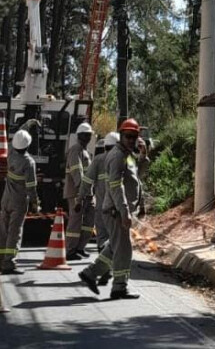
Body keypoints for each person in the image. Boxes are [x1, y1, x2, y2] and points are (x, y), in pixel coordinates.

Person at [79, 119, 142, 299]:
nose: (131, 140)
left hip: (119, 209)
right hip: (115, 210)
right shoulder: (116, 156)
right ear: (121, 136)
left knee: (115, 247)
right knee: (123, 250)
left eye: (134, 136)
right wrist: (124, 211)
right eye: (128, 136)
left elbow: (136, 178)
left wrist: (143, 156)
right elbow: (116, 186)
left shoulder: (127, 155)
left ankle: (90, 273)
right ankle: (119, 287)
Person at [0, 128, 38, 275]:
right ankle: (9, 263)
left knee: (3, 228)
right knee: (15, 231)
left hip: (6, 198)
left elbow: (11, 142)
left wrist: (25, 125)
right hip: (19, 201)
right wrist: (35, 203)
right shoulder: (29, 162)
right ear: (28, 145)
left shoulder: (10, 154)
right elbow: (31, 187)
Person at [79, 131, 118, 267]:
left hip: (102, 207)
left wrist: (79, 199)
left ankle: (103, 261)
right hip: (118, 208)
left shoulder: (98, 160)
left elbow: (87, 181)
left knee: (102, 236)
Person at [64, 121, 92, 260]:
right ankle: (70, 250)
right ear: (79, 136)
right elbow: (77, 173)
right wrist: (82, 193)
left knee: (87, 222)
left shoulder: (85, 151)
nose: (87, 137)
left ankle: (80, 247)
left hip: (87, 193)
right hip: (77, 192)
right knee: (75, 222)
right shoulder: (75, 150)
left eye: (89, 135)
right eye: (85, 135)